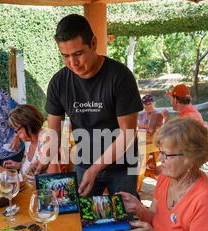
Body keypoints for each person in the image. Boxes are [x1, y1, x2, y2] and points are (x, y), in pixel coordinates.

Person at [32, 14, 142, 197]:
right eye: (65, 56)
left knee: (127, 217)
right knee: (80, 216)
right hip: (84, 160)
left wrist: (96, 168)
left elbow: (128, 134)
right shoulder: (59, 82)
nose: (73, 63)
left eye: (78, 54)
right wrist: (45, 157)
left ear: (93, 44)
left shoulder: (120, 76)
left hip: (122, 164)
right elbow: (54, 132)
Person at [3, 104, 60, 175]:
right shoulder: (29, 140)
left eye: (17, 130)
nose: (17, 134)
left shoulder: (46, 141)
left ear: (28, 125)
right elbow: (31, 166)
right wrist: (19, 165)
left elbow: (55, 178)